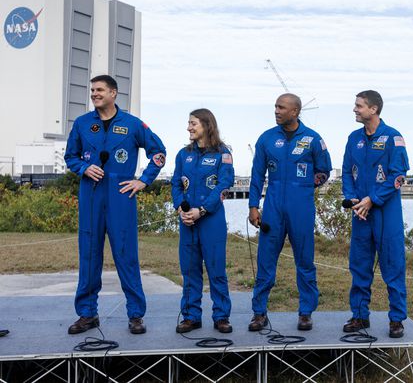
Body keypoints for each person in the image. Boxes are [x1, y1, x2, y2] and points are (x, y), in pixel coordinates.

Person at [64, 74, 166, 335]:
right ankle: (87, 314)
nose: (94, 94)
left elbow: (158, 153)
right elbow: (70, 156)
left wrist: (143, 181)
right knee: (88, 255)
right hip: (91, 195)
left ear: (113, 93)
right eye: (92, 90)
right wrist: (84, 168)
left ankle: (135, 315)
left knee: (126, 256)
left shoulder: (132, 124)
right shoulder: (83, 123)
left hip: (121, 196)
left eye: (99, 90)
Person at [248, 93, 332, 331]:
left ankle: (306, 312)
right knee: (265, 260)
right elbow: (257, 175)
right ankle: (259, 313)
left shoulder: (313, 139)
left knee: (305, 261)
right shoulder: (266, 139)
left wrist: (304, 187)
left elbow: (324, 170)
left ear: (295, 112)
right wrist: (254, 205)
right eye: (275, 106)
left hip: (301, 208)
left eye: (281, 107)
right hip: (273, 206)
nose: (276, 110)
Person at [341, 90, 410, 338]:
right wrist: (352, 200)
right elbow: (347, 172)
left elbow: (398, 176)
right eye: (355, 105)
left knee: (393, 267)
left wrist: (373, 200)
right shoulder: (353, 138)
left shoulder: (393, 137)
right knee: (359, 267)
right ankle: (360, 316)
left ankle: (396, 319)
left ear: (374, 109)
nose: (355, 109)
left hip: (385, 214)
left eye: (359, 106)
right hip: (360, 214)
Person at [171, 109, 234, 334]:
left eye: (193, 123)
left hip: (211, 221)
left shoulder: (222, 154)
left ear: (207, 125)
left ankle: (221, 316)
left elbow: (224, 185)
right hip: (188, 222)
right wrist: (181, 208)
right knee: (189, 271)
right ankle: (190, 316)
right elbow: (176, 184)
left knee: (216, 270)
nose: (189, 127)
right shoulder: (183, 154)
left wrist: (202, 210)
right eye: (188, 123)